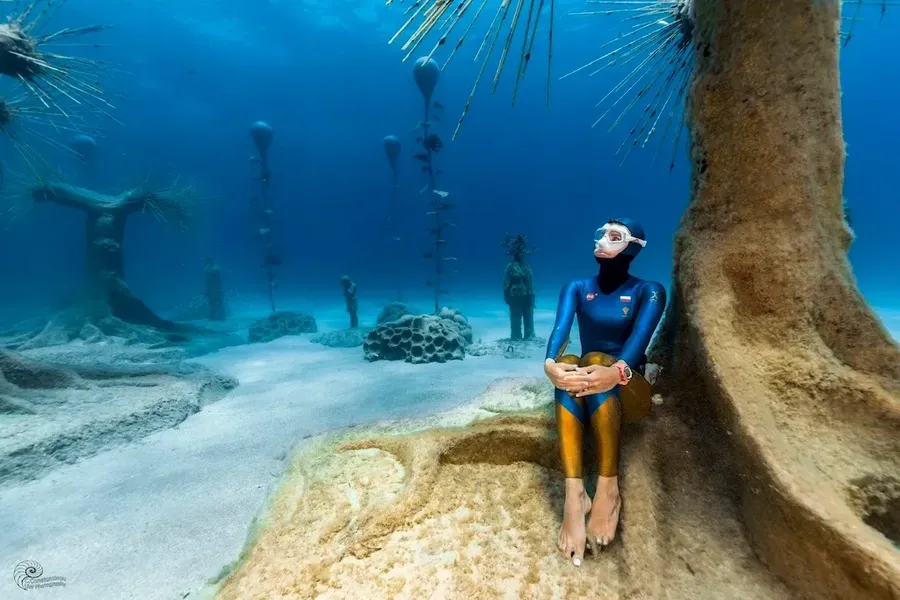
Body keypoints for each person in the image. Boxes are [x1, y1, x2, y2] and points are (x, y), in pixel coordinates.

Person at [543, 218, 666, 566]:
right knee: (570, 361)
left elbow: (639, 341)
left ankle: (608, 488)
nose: (602, 240)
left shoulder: (650, 290)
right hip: (590, 385)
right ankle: (575, 496)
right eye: (600, 233)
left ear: (633, 247)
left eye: (614, 236)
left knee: (595, 358)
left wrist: (615, 372)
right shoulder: (576, 287)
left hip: (630, 390)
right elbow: (561, 329)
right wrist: (550, 365)